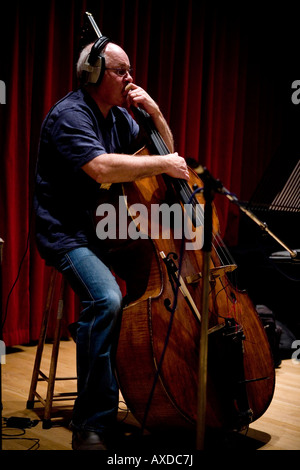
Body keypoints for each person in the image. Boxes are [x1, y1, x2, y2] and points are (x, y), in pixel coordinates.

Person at [34, 38, 189, 450]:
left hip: (109, 232)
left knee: (153, 293)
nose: (129, 79)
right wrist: (163, 163)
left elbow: (166, 151)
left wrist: (154, 111)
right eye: (121, 71)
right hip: (67, 234)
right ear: (94, 75)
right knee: (106, 300)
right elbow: (101, 168)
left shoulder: (119, 118)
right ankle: (92, 424)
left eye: (129, 70)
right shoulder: (71, 115)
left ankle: (152, 393)